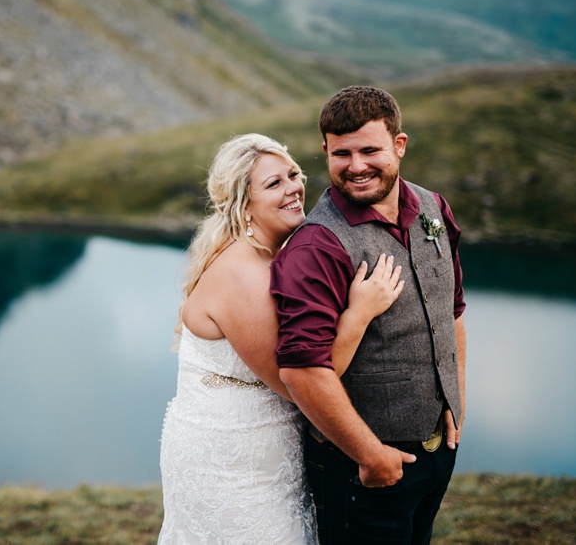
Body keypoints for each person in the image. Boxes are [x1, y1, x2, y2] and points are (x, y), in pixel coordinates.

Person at [158, 133, 405, 544]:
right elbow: (298, 382)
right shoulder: (243, 272)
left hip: (266, 451)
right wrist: (360, 313)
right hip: (234, 459)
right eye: (273, 184)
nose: (293, 188)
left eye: (293, 174)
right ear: (243, 204)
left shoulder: (269, 257)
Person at [271, 86, 467, 544]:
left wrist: (455, 400)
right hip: (362, 464)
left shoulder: (434, 207)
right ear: (325, 152)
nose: (356, 166)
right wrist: (370, 455)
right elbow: (302, 372)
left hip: (438, 449)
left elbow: (452, 309)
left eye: (369, 150)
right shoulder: (316, 245)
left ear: (399, 145)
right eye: (342, 153)